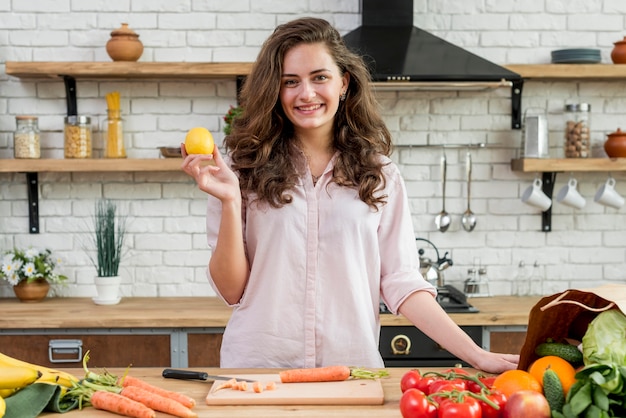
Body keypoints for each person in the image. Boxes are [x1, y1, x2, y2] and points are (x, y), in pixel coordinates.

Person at [181, 17, 518, 373]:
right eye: (290, 82)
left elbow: (402, 281)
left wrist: (475, 354)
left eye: (319, 77)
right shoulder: (240, 169)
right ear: (275, 92)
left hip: (350, 373)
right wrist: (231, 201)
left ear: (344, 83)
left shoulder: (379, 173)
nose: (306, 93)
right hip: (258, 371)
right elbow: (232, 290)